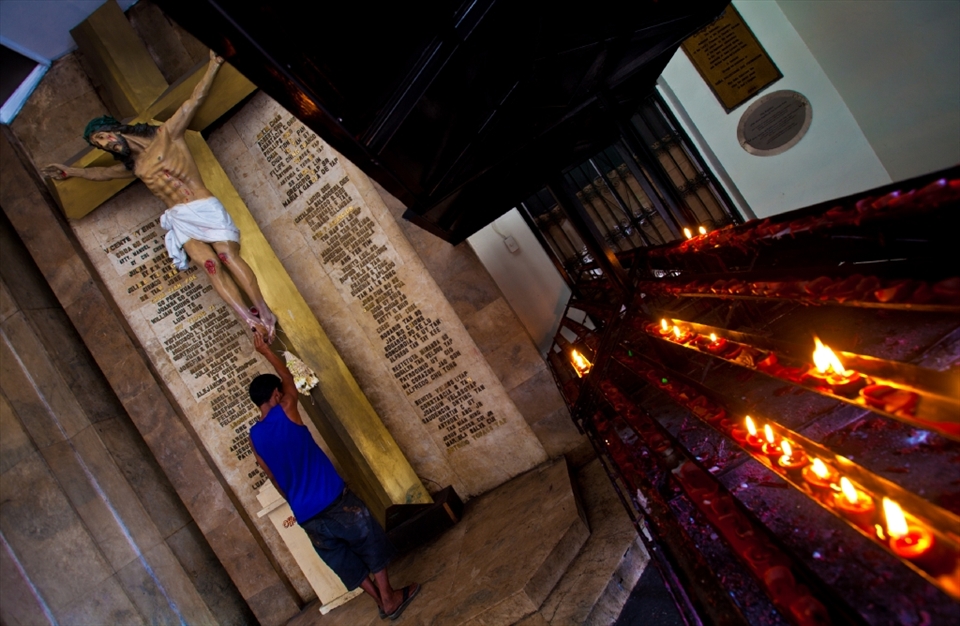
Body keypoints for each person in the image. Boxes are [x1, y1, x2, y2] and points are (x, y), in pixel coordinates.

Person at [42, 50, 276, 342]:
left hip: (202, 205)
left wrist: (214, 65)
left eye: (102, 137)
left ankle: (264, 311)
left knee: (227, 256)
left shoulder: (168, 134)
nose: (105, 145)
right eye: (98, 144)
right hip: (179, 218)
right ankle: (248, 319)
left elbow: (194, 100)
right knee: (210, 266)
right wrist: (71, 172)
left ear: (114, 129)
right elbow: (100, 174)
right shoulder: (135, 166)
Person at [247, 331, 420, 620]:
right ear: (275, 395)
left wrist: (297, 503)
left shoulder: (254, 437)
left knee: (342, 560)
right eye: (280, 392)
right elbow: (288, 379)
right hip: (332, 498)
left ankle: (380, 600)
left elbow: (275, 480)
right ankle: (389, 597)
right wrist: (266, 352)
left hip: (306, 515)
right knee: (368, 539)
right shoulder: (286, 408)